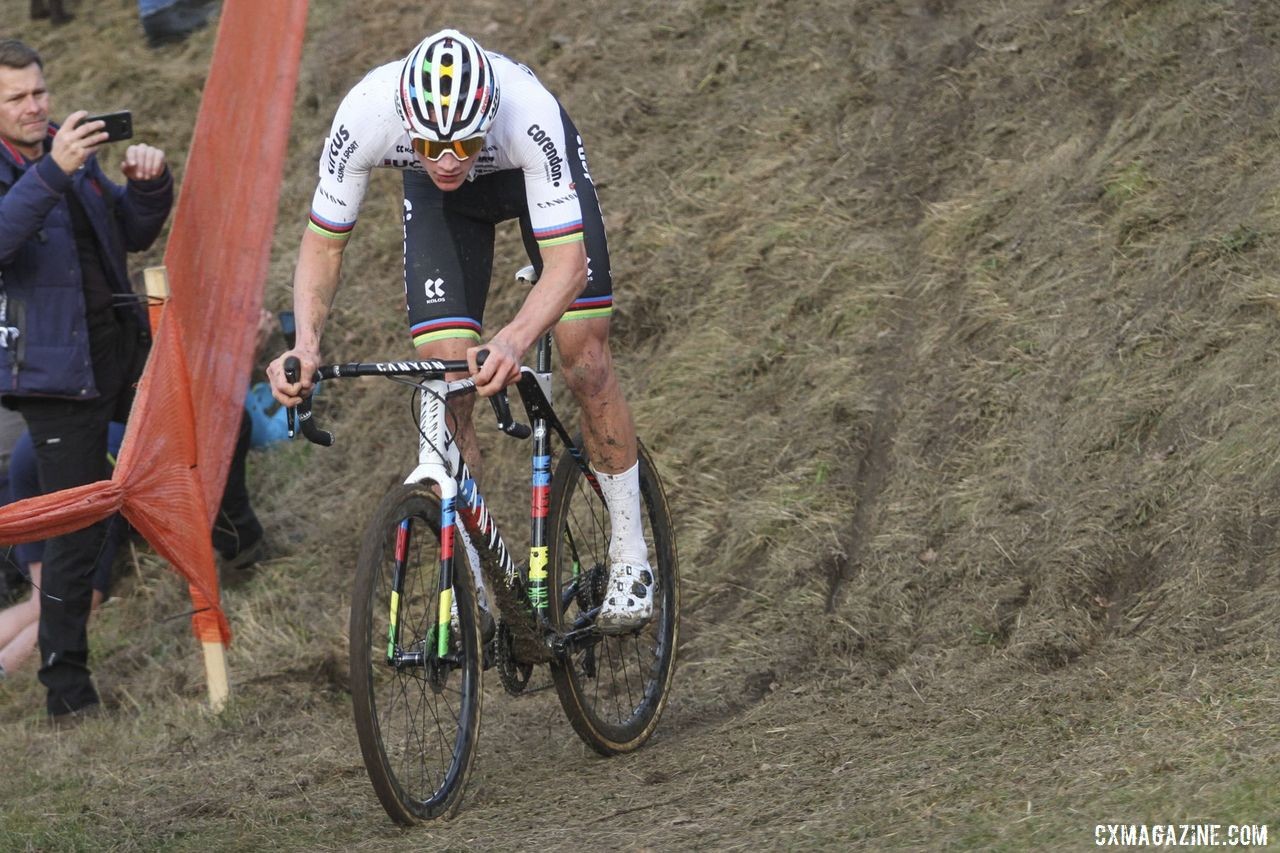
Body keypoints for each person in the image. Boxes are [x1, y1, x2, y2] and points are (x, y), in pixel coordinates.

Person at [267, 29, 653, 633]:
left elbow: (568, 267)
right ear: (405, 121)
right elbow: (323, 242)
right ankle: (473, 583)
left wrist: (513, 338)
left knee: (584, 356)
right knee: (447, 381)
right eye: (428, 144)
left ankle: (632, 558)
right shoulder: (368, 112)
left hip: (534, 184)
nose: (447, 159)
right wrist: (307, 344)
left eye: (463, 145)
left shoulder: (528, 112)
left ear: (488, 119)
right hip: (447, 211)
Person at [0, 39, 173, 723]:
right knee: (75, 535)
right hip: (52, 377)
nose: (35, 106)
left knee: (217, 427)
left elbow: (126, 235)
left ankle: (237, 542)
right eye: (17, 98)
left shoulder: (72, 148)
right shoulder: (48, 161)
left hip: (119, 349)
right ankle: (67, 692)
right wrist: (52, 172)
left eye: (39, 92)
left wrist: (148, 185)